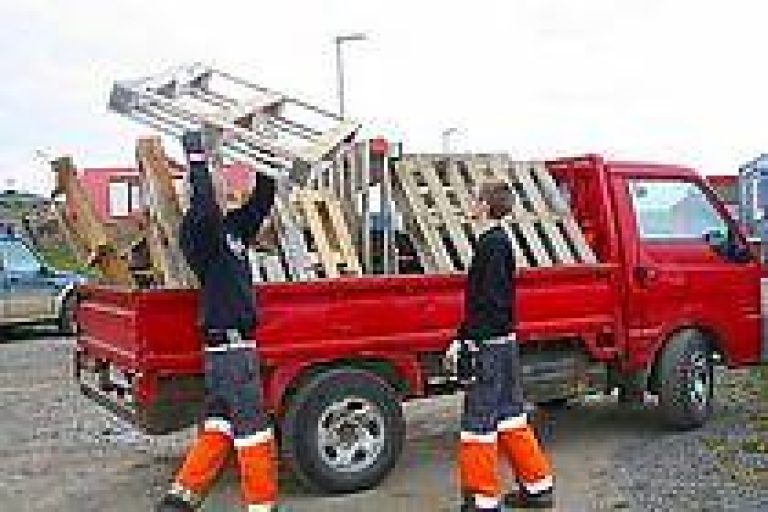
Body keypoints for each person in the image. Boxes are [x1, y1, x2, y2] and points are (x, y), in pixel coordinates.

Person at [156, 130, 278, 512]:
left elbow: (262, 201)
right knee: (253, 430)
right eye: (215, 182)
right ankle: (262, 505)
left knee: (220, 426)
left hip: (233, 350)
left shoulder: (234, 229)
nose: (223, 187)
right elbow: (206, 205)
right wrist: (196, 158)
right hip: (230, 351)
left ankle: (179, 499)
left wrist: (264, 159)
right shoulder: (198, 233)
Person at [446, 180, 554, 511]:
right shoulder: (500, 241)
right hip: (503, 343)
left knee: (478, 424)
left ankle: (482, 501)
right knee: (510, 416)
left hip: (489, 347)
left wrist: (466, 339)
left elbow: (488, 303)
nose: (471, 203)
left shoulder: (490, 245)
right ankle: (538, 487)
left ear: (485, 205)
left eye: (475, 198)